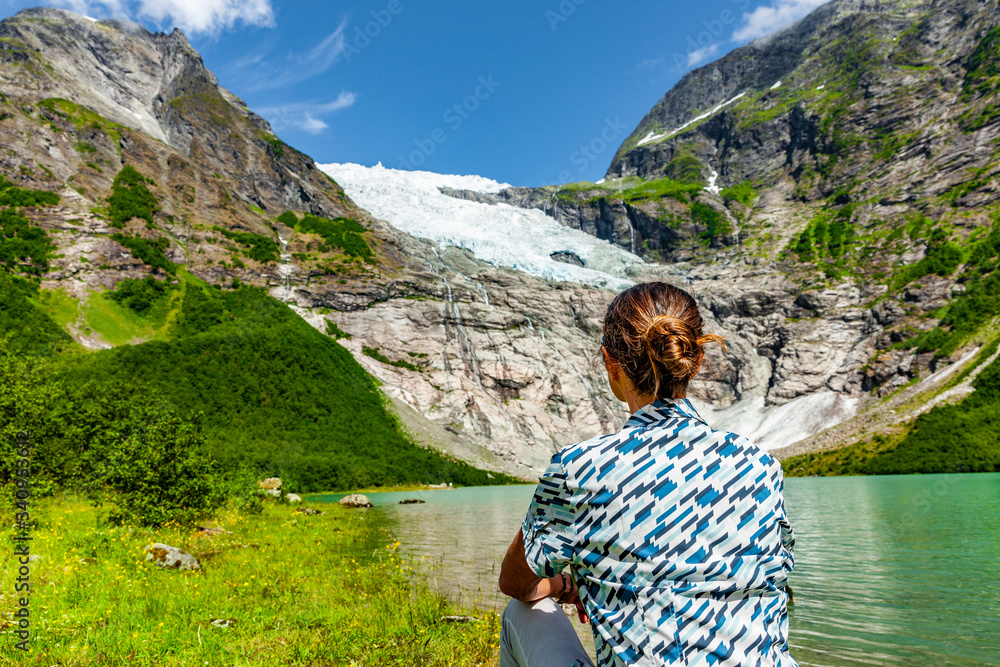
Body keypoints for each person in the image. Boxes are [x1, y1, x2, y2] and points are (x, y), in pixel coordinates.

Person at [498, 282, 796, 667]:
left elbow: (515, 582)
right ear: (696, 359)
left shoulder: (581, 468)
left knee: (520, 612)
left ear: (611, 363)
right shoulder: (761, 465)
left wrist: (568, 583)